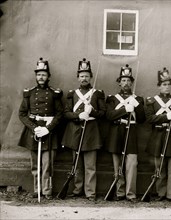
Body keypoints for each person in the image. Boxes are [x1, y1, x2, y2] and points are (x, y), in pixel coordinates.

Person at [61, 58, 106, 201]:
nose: (84, 78)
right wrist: (78, 115)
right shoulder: (71, 94)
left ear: (91, 77)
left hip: (91, 133)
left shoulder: (97, 93)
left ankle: (90, 192)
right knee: (77, 164)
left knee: (90, 165)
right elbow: (66, 113)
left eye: (87, 75)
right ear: (78, 77)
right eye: (81, 76)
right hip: (75, 132)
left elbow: (103, 113)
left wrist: (92, 111)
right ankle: (77, 190)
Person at [18, 57, 63, 200]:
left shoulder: (54, 94)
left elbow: (59, 114)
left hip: (49, 133)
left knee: (47, 164)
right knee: (35, 165)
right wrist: (34, 128)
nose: (41, 77)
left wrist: (48, 128)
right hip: (34, 132)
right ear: (36, 76)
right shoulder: (29, 93)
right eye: (38, 74)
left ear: (48, 76)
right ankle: (37, 190)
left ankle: (47, 190)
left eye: (44, 74)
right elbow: (22, 114)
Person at [105, 64, 146, 203]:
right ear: (119, 82)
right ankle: (120, 192)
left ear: (132, 82)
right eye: (123, 80)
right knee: (118, 164)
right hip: (117, 132)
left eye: (128, 80)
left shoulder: (138, 99)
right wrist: (124, 110)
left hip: (132, 131)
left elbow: (141, 119)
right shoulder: (112, 98)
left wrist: (136, 105)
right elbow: (109, 115)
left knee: (132, 164)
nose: (126, 83)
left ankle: (131, 194)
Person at [145, 67, 171, 204]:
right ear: (159, 86)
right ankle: (161, 192)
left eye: (168, 84)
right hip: (158, 135)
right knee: (159, 167)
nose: (167, 87)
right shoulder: (152, 101)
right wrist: (165, 116)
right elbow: (149, 118)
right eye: (164, 84)